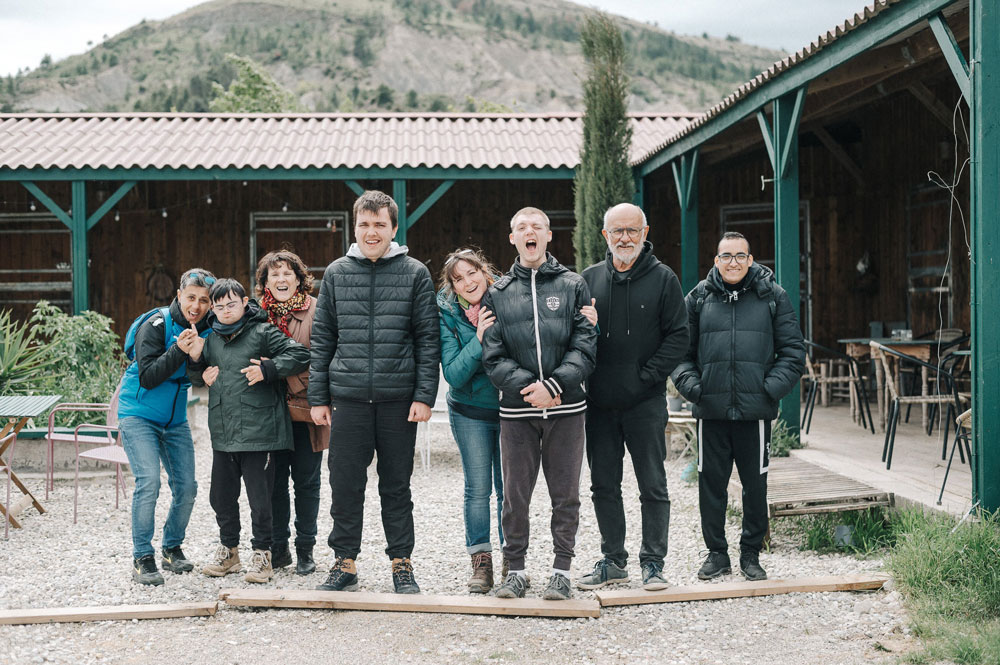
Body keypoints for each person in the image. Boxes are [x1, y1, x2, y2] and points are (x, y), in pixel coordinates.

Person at [308, 190, 440, 594]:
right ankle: (344, 562)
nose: (371, 232)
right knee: (345, 482)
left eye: (379, 224)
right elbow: (323, 337)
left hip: (398, 399)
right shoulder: (336, 273)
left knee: (396, 484)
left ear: (393, 228)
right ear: (355, 227)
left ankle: (402, 563)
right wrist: (318, 397)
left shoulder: (415, 273)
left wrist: (424, 396)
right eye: (364, 224)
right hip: (347, 398)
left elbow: (427, 340)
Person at [671, 231, 804, 582]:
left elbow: (793, 352)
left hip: (753, 414)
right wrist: (695, 389)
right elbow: (679, 353)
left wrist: (768, 390)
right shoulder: (698, 298)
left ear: (751, 259)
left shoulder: (772, 296)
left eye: (740, 256)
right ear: (716, 261)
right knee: (710, 486)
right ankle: (717, 554)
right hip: (710, 412)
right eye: (726, 256)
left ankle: (750, 554)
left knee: (754, 486)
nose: (733, 263)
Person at [481, 207, 597, 601]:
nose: (529, 233)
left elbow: (585, 346)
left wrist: (555, 385)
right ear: (512, 238)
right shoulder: (496, 293)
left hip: (567, 408)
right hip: (517, 411)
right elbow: (493, 356)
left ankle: (561, 571)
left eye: (537, 227)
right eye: (521, 228)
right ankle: (515, 571)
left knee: (566, 494)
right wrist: (531, 388)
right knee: (515, 495)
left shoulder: (573, 285)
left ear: (549, 236)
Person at [577, 203, 689, 592]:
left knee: (652, 484)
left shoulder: (663, 279)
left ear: (645, 233)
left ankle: (653, 563)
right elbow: (574, 336)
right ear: (605, 236)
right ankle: (613, 560)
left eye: (632, 230)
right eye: (617, 231)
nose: (624, 238)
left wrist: (648, 376)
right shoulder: (587, 280)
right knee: (603, 485)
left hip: (645, 402)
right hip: (600, 404)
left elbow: (679, 336)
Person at [188, 278, 310, 584]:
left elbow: (300, 355)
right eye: (219, 306)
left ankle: (262, 555)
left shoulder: (263, 331)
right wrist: (200, 370)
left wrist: (268, 369)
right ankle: (229, 551)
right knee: (221, 496)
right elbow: (195, 372)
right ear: (212, 310)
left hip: (261, 433)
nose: (226, 311)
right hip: (224, 433)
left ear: (245, 303)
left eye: (232, 304)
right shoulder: (212, 339)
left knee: (261, 499)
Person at [117, 268, 216, 586]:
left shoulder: (206, 328)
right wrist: (179, 350)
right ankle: (142, 556)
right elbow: (148, 376)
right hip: (138, 415)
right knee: (149, 483)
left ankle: (171, 548)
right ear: (179, 296)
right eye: (191, 298)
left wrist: (201, 365)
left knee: (187, 488)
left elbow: (197, 378)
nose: (197, 306)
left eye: (204, 300)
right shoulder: (156, 324)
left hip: (175, 421)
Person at [255, 250, 330, 576]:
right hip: (266, 413)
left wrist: (279, 373)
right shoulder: (255, 314)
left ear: (299, 278)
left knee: (307, 482)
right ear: (265, 282)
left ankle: (306, 548)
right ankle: (279, 546)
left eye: (288, 274)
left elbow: (323, 359)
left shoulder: (316, 310)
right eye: (275, 275)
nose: (282, 280)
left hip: (305, 409)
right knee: (273, 483)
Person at [437, 248, 504, 594]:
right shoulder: (447, 313)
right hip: (469, 411)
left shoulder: (508, 297)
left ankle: (513, 558)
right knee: (478, 489)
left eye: (472, 273)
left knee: (509, 490)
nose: (467, 282)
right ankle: (481, 561)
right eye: (458, 279)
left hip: (510, 410)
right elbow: (454, 374)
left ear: (484, 270)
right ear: (452, 287)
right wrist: (479, 339)